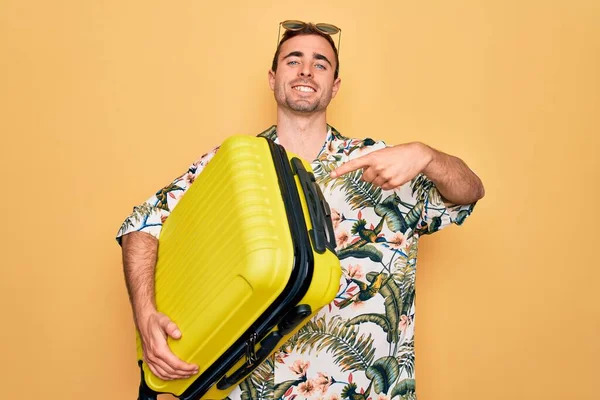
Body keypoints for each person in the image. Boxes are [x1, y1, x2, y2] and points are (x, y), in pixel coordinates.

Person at [116, 20, 484, 400]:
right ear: (273, 79)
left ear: (335, 86)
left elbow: (468, 193)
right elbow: (142, 224)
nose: (306, 70)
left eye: (320, 63)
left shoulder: (385, 161)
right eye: (293, 60)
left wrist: (427, 156)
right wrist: (145, 315)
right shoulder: (232, 164)